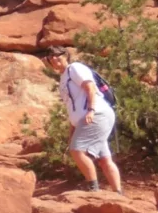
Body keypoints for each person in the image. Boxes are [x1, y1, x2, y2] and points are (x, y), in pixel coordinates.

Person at [43, 46, 122, 194]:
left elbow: (90, 87)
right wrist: (72, 131)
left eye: (57, 55)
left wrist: (92, 109)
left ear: (66, 55)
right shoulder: (63, 78)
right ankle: (118, 193)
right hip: (89, 119)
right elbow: (72, 107)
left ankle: (93, 189)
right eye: (50, 57)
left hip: (96, 115)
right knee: (104, 159)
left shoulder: (75, 68)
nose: (54, 58)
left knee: (77, 151)